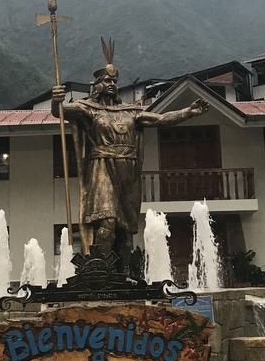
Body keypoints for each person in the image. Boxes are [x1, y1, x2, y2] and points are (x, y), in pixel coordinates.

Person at [52, 41, 208, 272]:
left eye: (114, 81)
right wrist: (56, 100)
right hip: (102, 166)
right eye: (107, 81)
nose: (112, 84)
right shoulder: (89, 109)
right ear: (97, 85)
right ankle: (101, 270)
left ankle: (123, 272)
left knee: (126, 229)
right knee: (107, 221)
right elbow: (60, 111)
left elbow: (161, 119)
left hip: (128, 172)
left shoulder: (131, 112)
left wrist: (188, 112)